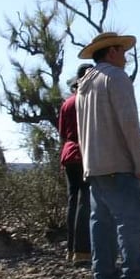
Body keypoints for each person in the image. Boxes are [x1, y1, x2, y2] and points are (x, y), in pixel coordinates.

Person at [76, 32, 140, 279]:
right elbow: (129, 123)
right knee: (131, 223)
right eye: (122, 52)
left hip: (94, 166)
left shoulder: (84, 85)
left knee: (100, 225)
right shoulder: (116, 78)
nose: (126, 57)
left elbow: (82, 130)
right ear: (111, 52)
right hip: (118, 164)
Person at [59, 63, 93, 264]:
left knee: (72, 201)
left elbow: (63, 133)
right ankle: (82, 251)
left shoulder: (67, 103)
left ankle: (71, 249)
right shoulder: (88, 102)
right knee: (85, 200)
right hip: (84, 153)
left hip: (69, 153)